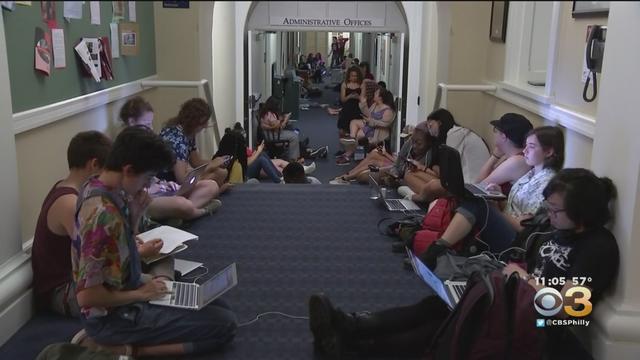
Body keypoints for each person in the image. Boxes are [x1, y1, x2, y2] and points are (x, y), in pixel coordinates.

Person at [308, 168, 619, 359]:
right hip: (515, 303)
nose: (549, 215)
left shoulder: (597, 247)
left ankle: (353, 345)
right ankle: (350, 324)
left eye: (555, 210)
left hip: (539, 328)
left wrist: (523, 282)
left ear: (581, 213)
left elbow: (572, 311)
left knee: (453, 327)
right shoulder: (555, 232)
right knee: (435, 307)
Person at [71, 126, 236, 357]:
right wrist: (142, 294)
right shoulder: (102, 216)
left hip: (129, 288)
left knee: (216, 306)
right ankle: (123, 349)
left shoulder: (100, 186)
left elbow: (118, 254)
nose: (147, 186)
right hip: (114, 317)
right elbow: (86, 296)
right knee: (224, 325)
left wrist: (136, 216)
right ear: (128, 170)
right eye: (147, 178)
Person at [419, 126, 565, 268]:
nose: (525, 150)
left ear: (549, 152)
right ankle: (440, 247)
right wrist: (499, 196)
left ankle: (437, 249)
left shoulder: (547, 185)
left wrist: (498, 211)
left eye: (531, 147)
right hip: (509, 226)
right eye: (526, 145)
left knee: (477, 204)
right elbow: (514, 209)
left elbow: (526, 229)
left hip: (518, 243)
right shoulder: (532, 173)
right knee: (475, 199)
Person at [31, 131, 112, 318]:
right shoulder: (68, 202)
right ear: (94, 165)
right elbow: (93, 255)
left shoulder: (68, 188)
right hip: (62, 290)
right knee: (129, 292)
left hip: (77, 278)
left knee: (141, 278)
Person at [119, 97, 222, 222]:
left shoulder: (145, 143)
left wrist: (163, 183)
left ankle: (178, 215)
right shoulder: (124, 148)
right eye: (147, 124)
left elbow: (151, 176)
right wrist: (151, 189)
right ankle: (196, 212)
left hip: (159, 191)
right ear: (131, 122)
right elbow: (126, 189)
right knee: (182, 204)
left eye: (151, 123)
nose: (151, 128)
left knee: (211, 186)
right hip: (144, 198)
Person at [397, 109, 490, 202]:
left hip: (469, 185)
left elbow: (448, 176)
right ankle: (417, 194)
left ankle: (417, 197)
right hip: (461, 181)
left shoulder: (454, 134)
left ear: (440, 123)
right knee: (410, 174)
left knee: (432, 185)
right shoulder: (452, 135)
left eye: (431, 125)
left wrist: (425, 169)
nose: (429, 130)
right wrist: (422, 168)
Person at [331, 121, 436, 186]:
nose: (414, 145)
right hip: (397, 170)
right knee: (374, 155)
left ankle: (347, 177)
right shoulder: (409, 143)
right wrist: (394, 172)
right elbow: (398, 164)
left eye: (418, 143)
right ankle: (347, 176)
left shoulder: (430, 155)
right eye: (413, 141)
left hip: (401, 175)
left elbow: (410, 174)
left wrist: (387, 156)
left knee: (362, 175)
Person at [157, 98, 229, 188]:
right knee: (215, 178)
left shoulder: (187, 132)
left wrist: (216, 162)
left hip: (177, 176)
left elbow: (196, 162)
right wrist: (211, 165)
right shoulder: (178, 141)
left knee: (221, 172)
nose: (205, 126)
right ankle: (212, 193)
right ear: (193, 122)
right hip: (168, 182)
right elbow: (182, 180)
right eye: (203, 123)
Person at [475, 113, 533, 195]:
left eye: (496, 130)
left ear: (503, 136)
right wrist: (495, 156)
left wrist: (494, 157)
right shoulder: (511, 156)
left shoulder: (516, 161)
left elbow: (479, 186)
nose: (494, 134)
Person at [336, 88, 396, 165]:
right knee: (354, 122)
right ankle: (352, 139)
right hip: (370, 127)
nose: (374, 95)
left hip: (377, 131)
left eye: (376, 94)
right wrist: (363, 104)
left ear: (380, 97)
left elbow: (385, 124)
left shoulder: (388, 110)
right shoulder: (375, 105)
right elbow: (368, 114)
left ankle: (348, 153)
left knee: (359, 135)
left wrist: (371, 121)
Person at [259, 96, 301, 161]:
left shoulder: (266, 112)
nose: (279, 107)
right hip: (274, 136)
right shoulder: (270, 115)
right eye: (278, 105)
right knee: (294, 136)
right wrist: (286, 119)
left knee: (291, 128)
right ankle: (293, 160)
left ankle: (293, 152)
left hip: (271, 133)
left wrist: (282, 118)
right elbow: (279, 128)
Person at [336, 66, 364, 142]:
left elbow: (363, 100)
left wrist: (357, 97)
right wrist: (350, 96)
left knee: (354, 131)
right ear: (349, 76)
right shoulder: (345, 84)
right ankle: (344, 147)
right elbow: (342, 99)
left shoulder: (361, 85)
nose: (354, 78)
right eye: (352, 76)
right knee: (342, 130)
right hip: (347, 108)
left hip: (357, 109)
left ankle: (353, 147)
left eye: (356, 76)